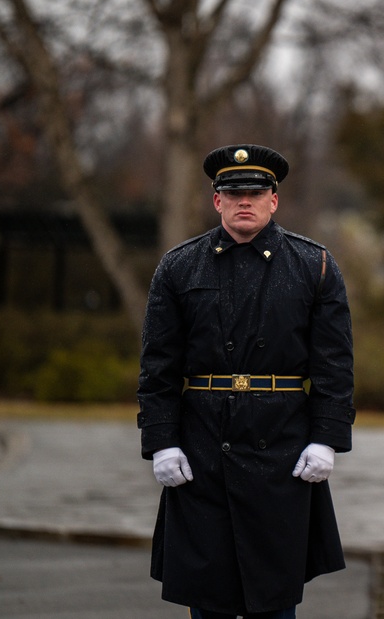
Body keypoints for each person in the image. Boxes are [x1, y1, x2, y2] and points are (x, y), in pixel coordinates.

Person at [137, 144, 356, 619]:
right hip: (202, 451)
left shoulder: (314, 265)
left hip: (282, 451)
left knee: (274, 600)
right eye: (233, 192)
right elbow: (158, 366)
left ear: (273, 200)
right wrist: (161, 441)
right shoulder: (179, 267)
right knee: (208, 599)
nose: (245, 201)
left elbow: (334, 366)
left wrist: (327, 439)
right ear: (216, 201)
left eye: (256, 192)